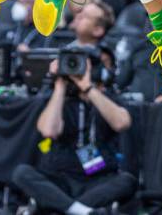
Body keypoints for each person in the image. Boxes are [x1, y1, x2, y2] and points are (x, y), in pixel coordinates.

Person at [12, 54, 135, 215]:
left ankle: (64, 208)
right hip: (60, 179)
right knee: (22, 173)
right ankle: (83, 212)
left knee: (127, 181)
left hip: (98, 179)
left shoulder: (106, 98)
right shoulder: (58, 99)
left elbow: (122, 123)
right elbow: (49, 131)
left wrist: (88, 88)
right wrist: (60, 87)